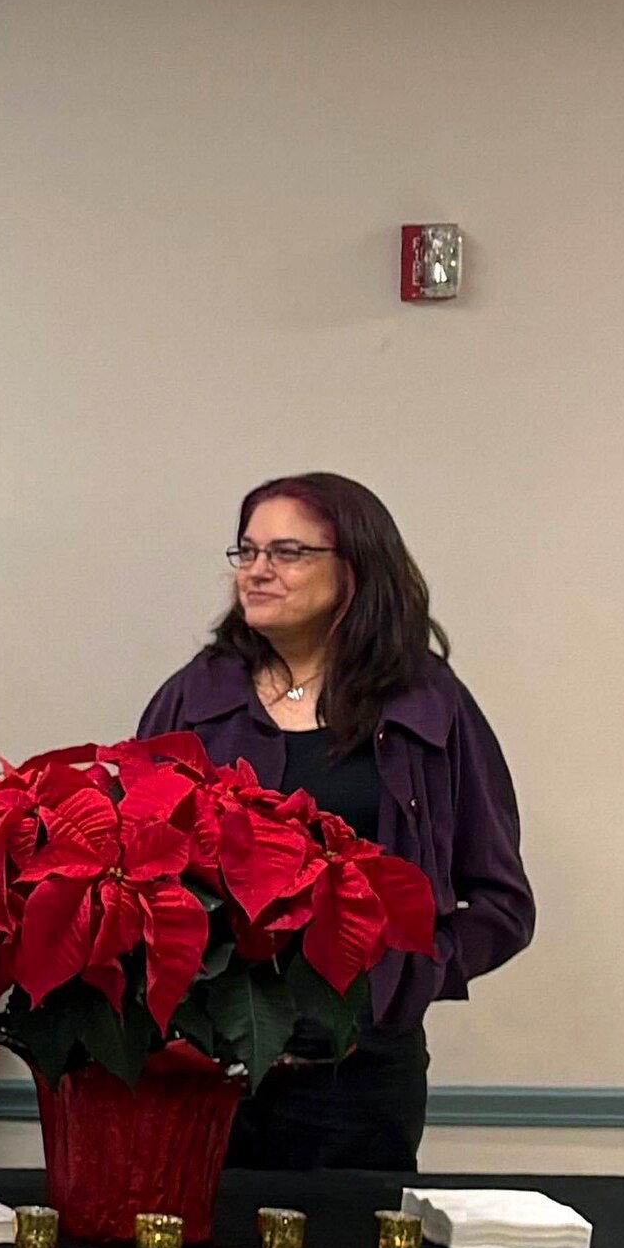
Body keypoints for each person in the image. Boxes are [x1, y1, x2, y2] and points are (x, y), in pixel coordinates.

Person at [137, 473, 534, 1169]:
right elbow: (135, 872)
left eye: (287, 553)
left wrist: (398, 980)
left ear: (354, 570)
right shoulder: (195, 697)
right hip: (201, 1069)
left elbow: (502, 901)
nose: (257, 572)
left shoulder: (427, 706)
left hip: (358, 1080)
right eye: (247, 551)